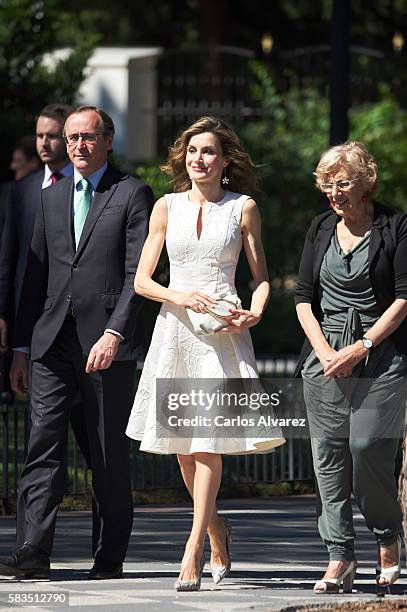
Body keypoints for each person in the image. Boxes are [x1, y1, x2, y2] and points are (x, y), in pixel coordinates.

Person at [126, 116, 284, 591]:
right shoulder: (165, 207)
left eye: (209, 151)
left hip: (223, 335)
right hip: (174, 332)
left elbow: (261, 280)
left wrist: (254, 313)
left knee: (205, 441)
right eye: (193, 151)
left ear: (226, 159)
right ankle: (217, 529)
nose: (200, 159)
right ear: (184, 157)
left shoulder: (244, 208)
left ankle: (191, 549)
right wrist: (179, 296)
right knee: (182, 451)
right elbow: (142, 280)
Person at [0, 106, 154, 580]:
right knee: (41, 448)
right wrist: (21, 348)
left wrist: (115, 332)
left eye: (87, 138)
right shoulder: (52, 197)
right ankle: (32, 553)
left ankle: (108, 557)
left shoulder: (132, 194)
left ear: (108, 140)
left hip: (106, 345)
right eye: (71, 139)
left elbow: (138, 277)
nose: (77, 147)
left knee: (106, 455)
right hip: (52, 345)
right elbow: (35, 279)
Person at [294, 141, 407, 593]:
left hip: (379, 355)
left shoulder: (395, 226)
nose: (334, 193)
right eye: (327, 185)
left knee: (366, 449)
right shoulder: (320, 228)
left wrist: (361, 346)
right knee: (327, 458)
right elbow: (303, 297)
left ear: (365, 182)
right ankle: (339, 555)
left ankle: (386, 536)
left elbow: (404, 297)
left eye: (343, 183)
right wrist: (323, 351)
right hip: (324, 356)